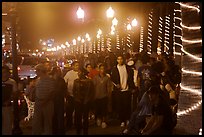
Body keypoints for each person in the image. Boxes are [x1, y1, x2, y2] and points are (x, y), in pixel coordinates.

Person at [111, 54, 135, 127]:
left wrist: (132, 87)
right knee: (120, 106)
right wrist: (116, 84)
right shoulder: (114, 69)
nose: (120, 60)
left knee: (127, 105)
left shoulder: (128, 68)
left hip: (127, 89)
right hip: (119, 91)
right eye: (118, 59)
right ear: (116, 60)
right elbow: (112, 79)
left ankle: (127, 119)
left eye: (121, 59)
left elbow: (130, 79)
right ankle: (122, 120)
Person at [32, 64, 56, 135]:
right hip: (38, 101)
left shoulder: (50, 80)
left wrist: (45, 101)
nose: (36, 72)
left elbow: (52, 92)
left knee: (47, 121)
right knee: (36, 121)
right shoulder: (38, 80)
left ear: (41, 71)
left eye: (37, 71)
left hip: (47, 102)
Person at [73, 70, 95, 135]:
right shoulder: (76, 81)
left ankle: (85, 132)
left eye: (79, 72)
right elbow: (74, 91)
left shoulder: (89, 81)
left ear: (83, 73)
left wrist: (88, 100)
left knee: (85, 118)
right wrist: (77, 98)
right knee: (78, 117)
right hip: (78, 101)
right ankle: (78, 131)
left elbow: (92, 92)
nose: (78, 73)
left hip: (86, 101)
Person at [93, 64, 112, 128]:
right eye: (101, 69)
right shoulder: (95, 77)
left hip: (104, 96)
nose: (102, 70)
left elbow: (109, 87)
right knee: (98, 109)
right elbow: (93, 86)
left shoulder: (107, 78)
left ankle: (104, 121)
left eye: (103, 69)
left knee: (104, 109)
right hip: (97, 96)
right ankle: (99, 119)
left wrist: (109, 95)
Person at [49, 67, 67, 135]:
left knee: (60, 117)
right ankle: (55, 131)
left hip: (60, 100)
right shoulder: (50, 80)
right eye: (59, 71)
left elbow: (65, 89)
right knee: (54, 117)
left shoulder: (61, 80)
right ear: (56, 72)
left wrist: (65, 97)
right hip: (52, 101)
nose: (60, 72)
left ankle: (61, 131)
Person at [63, 61, 80, 130]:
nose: (77, 66)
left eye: (78, 65)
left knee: (78, 111)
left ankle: (77, 124)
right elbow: (64, 82)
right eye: (76, 65)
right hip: (70, 95)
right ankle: (69, 124)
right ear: (72, 66)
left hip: (78, 95)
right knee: (69, 111)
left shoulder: (81, 73)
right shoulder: (69, 73)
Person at [2, 65, 18, 135]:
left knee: (7, 124)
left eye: (5, 72)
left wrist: (9, 100)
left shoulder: (12, 82)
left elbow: (15, 93)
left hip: (6, 106)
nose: (3, 74)